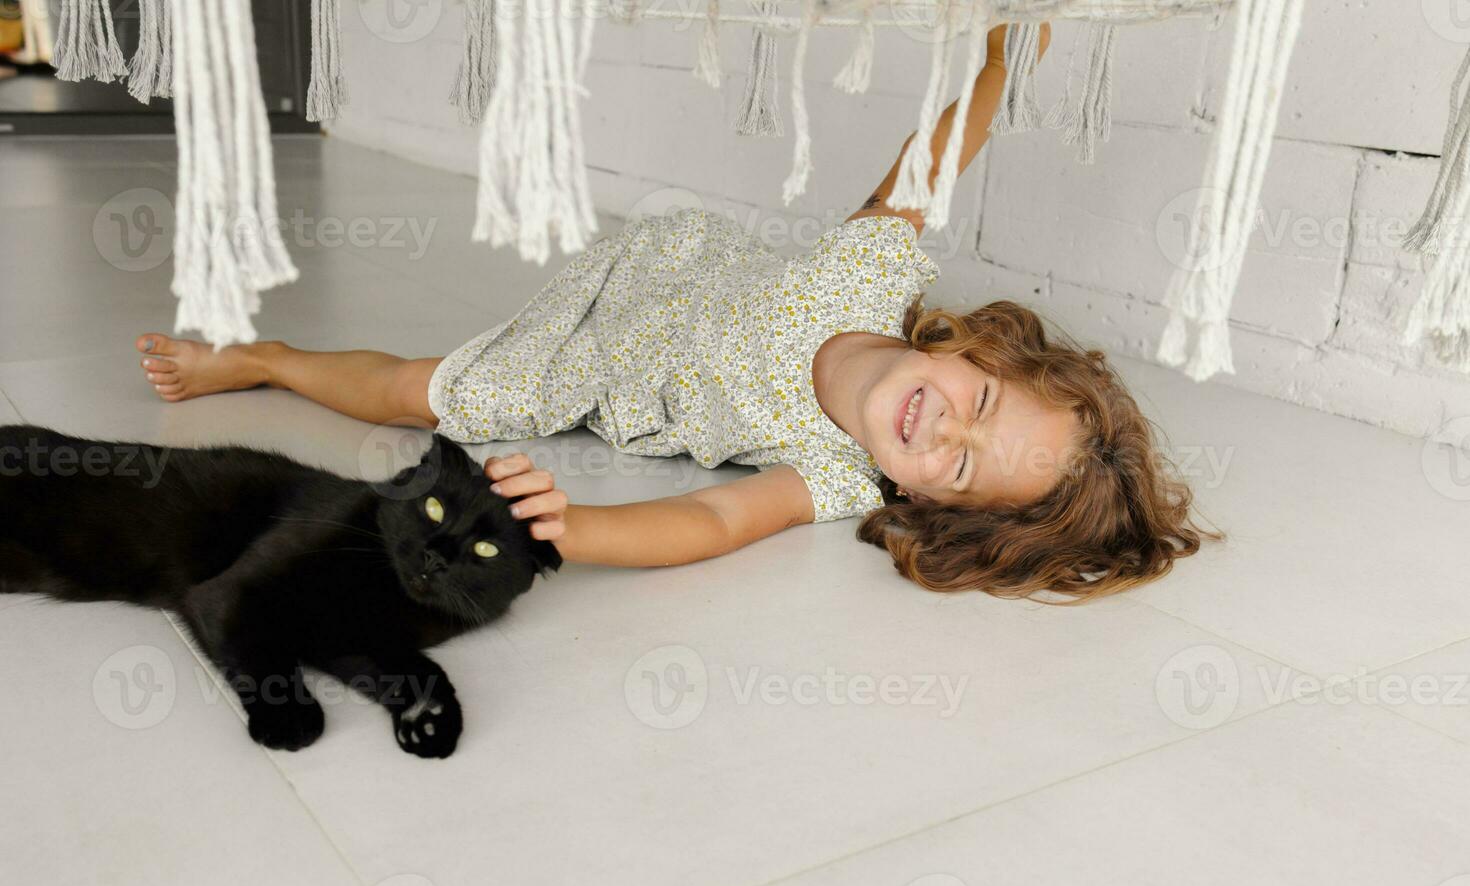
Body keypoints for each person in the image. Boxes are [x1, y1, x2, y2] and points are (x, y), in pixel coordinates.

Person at [132, 22, 1219, 600]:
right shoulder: (873, 276)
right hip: (662, 259)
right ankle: (265, 351)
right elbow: (933, 161)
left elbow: (712, 520)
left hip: (598, 372)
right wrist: (1000, 57)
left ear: (936, 504)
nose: (947, 428)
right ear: (981, 349)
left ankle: (266, 358)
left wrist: (578, 529)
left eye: (966, 467)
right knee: (444, 378)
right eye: (981, 401)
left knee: (429, 391)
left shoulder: (838, 473)